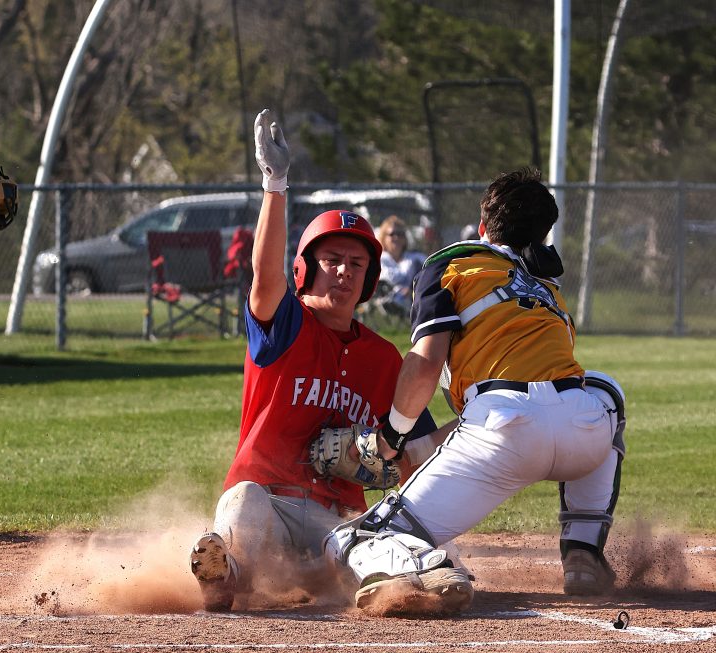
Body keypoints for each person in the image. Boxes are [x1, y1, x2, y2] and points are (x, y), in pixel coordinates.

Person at [324, 167, 626, 613]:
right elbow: (538, 398)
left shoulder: (453, 264)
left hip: (501, 435)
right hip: (585, 434)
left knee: (351, 538)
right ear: (543, 236)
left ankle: (427, 567)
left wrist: (390, 438)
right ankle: (583, 551)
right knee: (605, 389)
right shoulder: (548, 290)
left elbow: (426, 364)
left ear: (483, 226)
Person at [187, 109, 440, 612]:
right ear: (305, 269)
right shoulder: (286, 326)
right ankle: (226, 574)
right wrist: (275, 184)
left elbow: (424, 449)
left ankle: (404, 580)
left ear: (370, 279)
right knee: (242, 499)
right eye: (332, 261)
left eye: (357, 264)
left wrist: (486, 421)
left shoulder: (383, 358)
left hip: (336, 515)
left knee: (368, 538)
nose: (344, 272)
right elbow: (264, 277)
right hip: (268, 500)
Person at [374, 215, 425, 317]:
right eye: (392, 234)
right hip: (383, 304)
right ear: (384, 237)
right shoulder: (378, 259)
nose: (396, 237)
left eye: (400, 234)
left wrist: (411, 289)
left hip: (413, 302)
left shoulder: (414, 258)